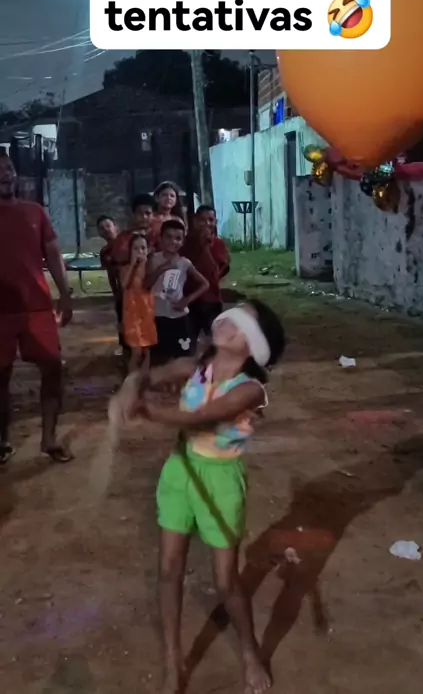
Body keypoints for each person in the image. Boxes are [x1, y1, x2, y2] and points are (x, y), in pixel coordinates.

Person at [111, 299, 286, 694]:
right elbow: (148, 375)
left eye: (241, 324)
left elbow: (200, 418)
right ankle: (173, 662)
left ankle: (249, 652)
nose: (227, 322)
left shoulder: (250, 390)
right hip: (180, 471)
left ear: (256, 346)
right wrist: (132, 385)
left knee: (226, 583)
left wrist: (146, 411)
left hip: (221, 482)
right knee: (169, 570)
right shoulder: (194, 366)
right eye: (230, 315)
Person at [0, 154, 73, 465]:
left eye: (8, 168)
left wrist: (65, 294)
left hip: (36, 308)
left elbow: (53, 253)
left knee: (53, 368)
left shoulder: (35, 212)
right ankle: (2, 441)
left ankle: (49, 438)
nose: (5, 174)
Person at [145, 220, 209, 362]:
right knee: (160, 357)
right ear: (160, 238)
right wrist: (160, 269)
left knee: (183, 356)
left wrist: (187, 300)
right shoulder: (153, 259)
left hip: (179, 317)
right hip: (157, 316)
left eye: (178, 238)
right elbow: (146, 285)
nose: (173, 241)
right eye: (168, 237)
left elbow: (205, 284)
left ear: (183, 241)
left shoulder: (184, 263)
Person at [182, 205, 231, 344]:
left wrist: (205, 246)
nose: (206, 224)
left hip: (211, 300)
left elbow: (215, 272)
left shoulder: (218, 244)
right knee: (187, 342)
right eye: (202, 220)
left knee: (214, 341)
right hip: (189, 298)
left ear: (216, 222)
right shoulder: (184, 242)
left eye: (210, 220)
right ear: (195, 221)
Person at [120, 233, 157, 372]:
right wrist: (133, 266)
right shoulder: (125, 269)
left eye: (143, 248)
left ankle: (143, 379)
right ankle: (131, 379)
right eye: (136, 248)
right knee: (136, 352)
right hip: (133, 315)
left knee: (148, 351)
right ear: (130, 251)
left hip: (148, 314)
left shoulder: (150, 268)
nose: (140, 251)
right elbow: (124, 285)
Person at [97, 215, 126, 351]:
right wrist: (115, 292)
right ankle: (125, 347)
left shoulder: (127, 243)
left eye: (108, 226)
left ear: (116, 226)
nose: (106, 230)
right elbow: (110, 273)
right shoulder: (104, 252)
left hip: (134, 290)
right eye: (102, 228)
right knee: (122, 320)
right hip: (120, 292)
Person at [111, 194, 160, 266]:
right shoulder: (123, 237)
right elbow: (117, 258)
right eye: (140, 213)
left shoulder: (161, 233)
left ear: (154, 214)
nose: (144, 217)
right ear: (133, 214)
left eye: (148, 213)